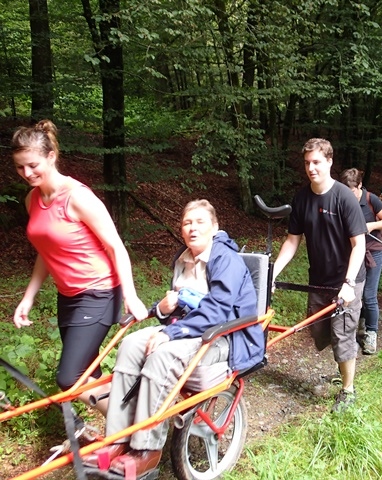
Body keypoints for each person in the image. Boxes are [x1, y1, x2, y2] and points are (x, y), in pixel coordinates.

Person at [83, 199, 263, 476]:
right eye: (187, 223)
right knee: (131, 345)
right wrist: (162, 310)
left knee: (162, 356)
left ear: (214, 227)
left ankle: (147, 449)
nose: (192, 228)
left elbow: (217, 311)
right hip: (189, 330)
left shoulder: (225, 259)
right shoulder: (184, 258)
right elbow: (181, 305)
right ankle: (117, 439)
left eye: (200, 222)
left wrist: (171, 332)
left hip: (224, 336)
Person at [10, 120, 147, 415]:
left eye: (33, 165)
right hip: (68, 295)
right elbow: (47, 251)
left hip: (98, 292)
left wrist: (131, 296)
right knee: (87, 371)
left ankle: (136, 423)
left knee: (69, 377)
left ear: (51, 156)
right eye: (20, 167)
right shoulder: (32, 199)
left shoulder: (78, 197)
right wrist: (28, 297)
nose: (27, 173)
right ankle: (127, 420)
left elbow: (116, 247)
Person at [272, 139, 367, 412]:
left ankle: (348, 391)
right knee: (320, 334)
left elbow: (358, 244)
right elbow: (292, 241)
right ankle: (343, 366)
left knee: (342, 334)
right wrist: (273, 272)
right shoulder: (302, 198)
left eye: (316, 162)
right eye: (307, 163)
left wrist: (349, 283)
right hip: (319, 280)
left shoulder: (344, 197)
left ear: (329, 162)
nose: (311, 168)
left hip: (347, 280)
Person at [339, 168, 382, 355]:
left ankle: (371, 333)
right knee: (353, 293)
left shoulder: (371, 199)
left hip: (373, 251)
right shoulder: (342, 200)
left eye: (352, 191)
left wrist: (371, 225)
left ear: (360, 186)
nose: (349, 195)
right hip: (353, 252)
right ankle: (354, 329)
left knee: (369, 295)